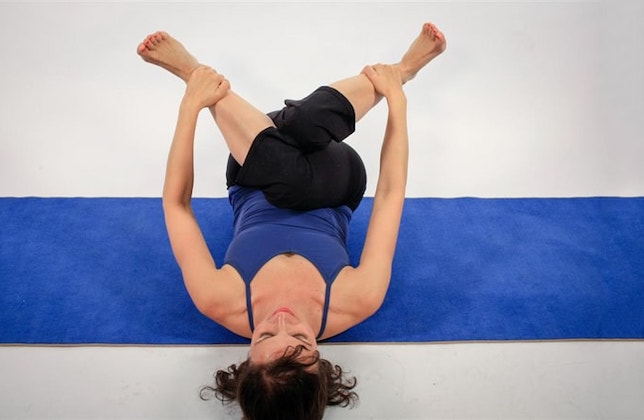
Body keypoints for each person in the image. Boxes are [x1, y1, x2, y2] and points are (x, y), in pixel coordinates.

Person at [137, 22, 446, 420]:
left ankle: (198, 78)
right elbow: (388, 195)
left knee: (296, 134)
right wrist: (398, 103)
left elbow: (176, 204)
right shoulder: (357, 299)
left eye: (265, 334)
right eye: (301, 338)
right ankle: (400, 71)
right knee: (300, 138)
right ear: (321, 359)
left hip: (252, 168)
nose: (283, 321)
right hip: (335, 180)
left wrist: (190, 108)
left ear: (246, 358)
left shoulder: (220, 298)